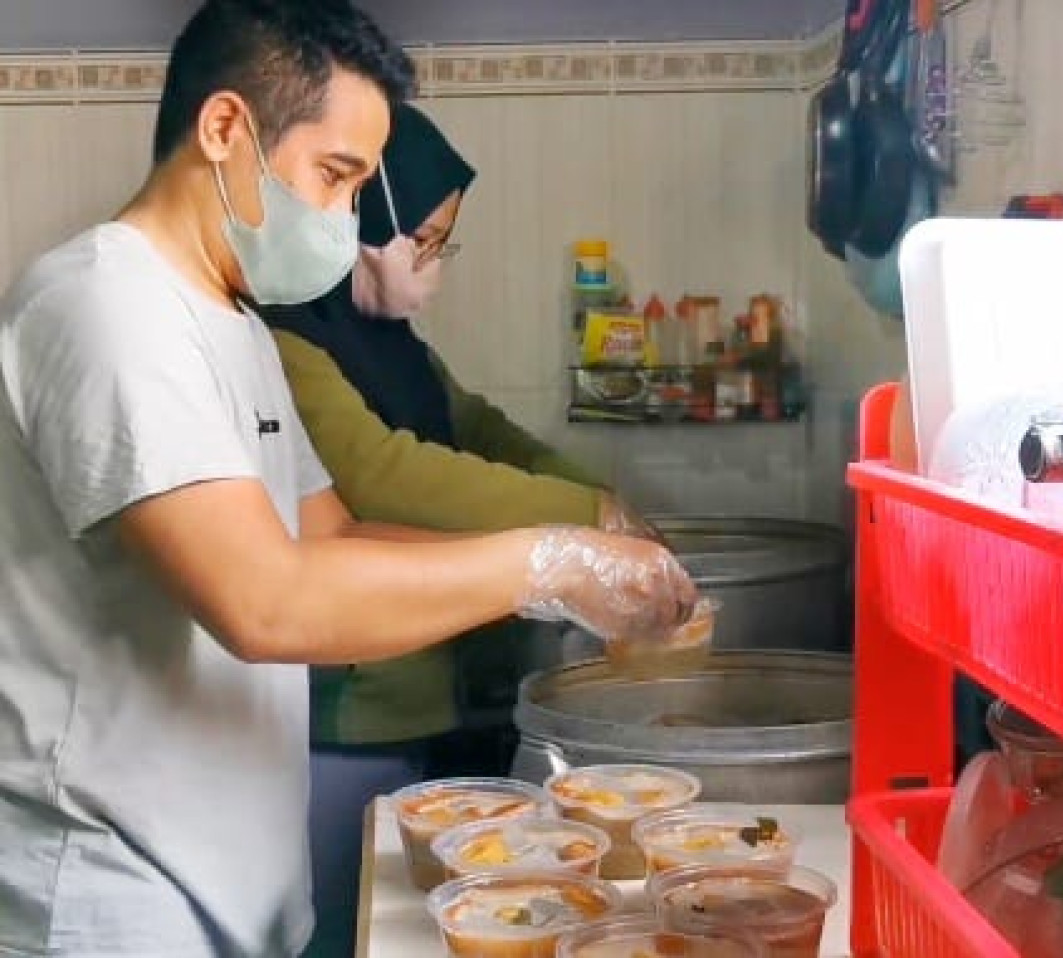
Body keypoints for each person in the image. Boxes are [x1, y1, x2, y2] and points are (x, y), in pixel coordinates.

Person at [0, 2, 695, 956]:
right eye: (335, 177)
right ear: (225, 128)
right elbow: (265, 601)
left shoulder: (236, 327)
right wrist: (551, 559)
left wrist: (564, 583)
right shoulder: (105, 304)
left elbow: (329, 538)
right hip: (110, 887)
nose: (345, 217)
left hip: (223, 873)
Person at [264, 102, 657, 958]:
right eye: (425, 240)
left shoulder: (391, 345)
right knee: (354, 924)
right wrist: (579, 526)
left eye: (445, 243)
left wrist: (597, 492)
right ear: (365, 220)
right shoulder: (286, 342)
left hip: (424, 684)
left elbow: (474, 426)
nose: (433, 263)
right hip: (348, 708)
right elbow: (383, 470)